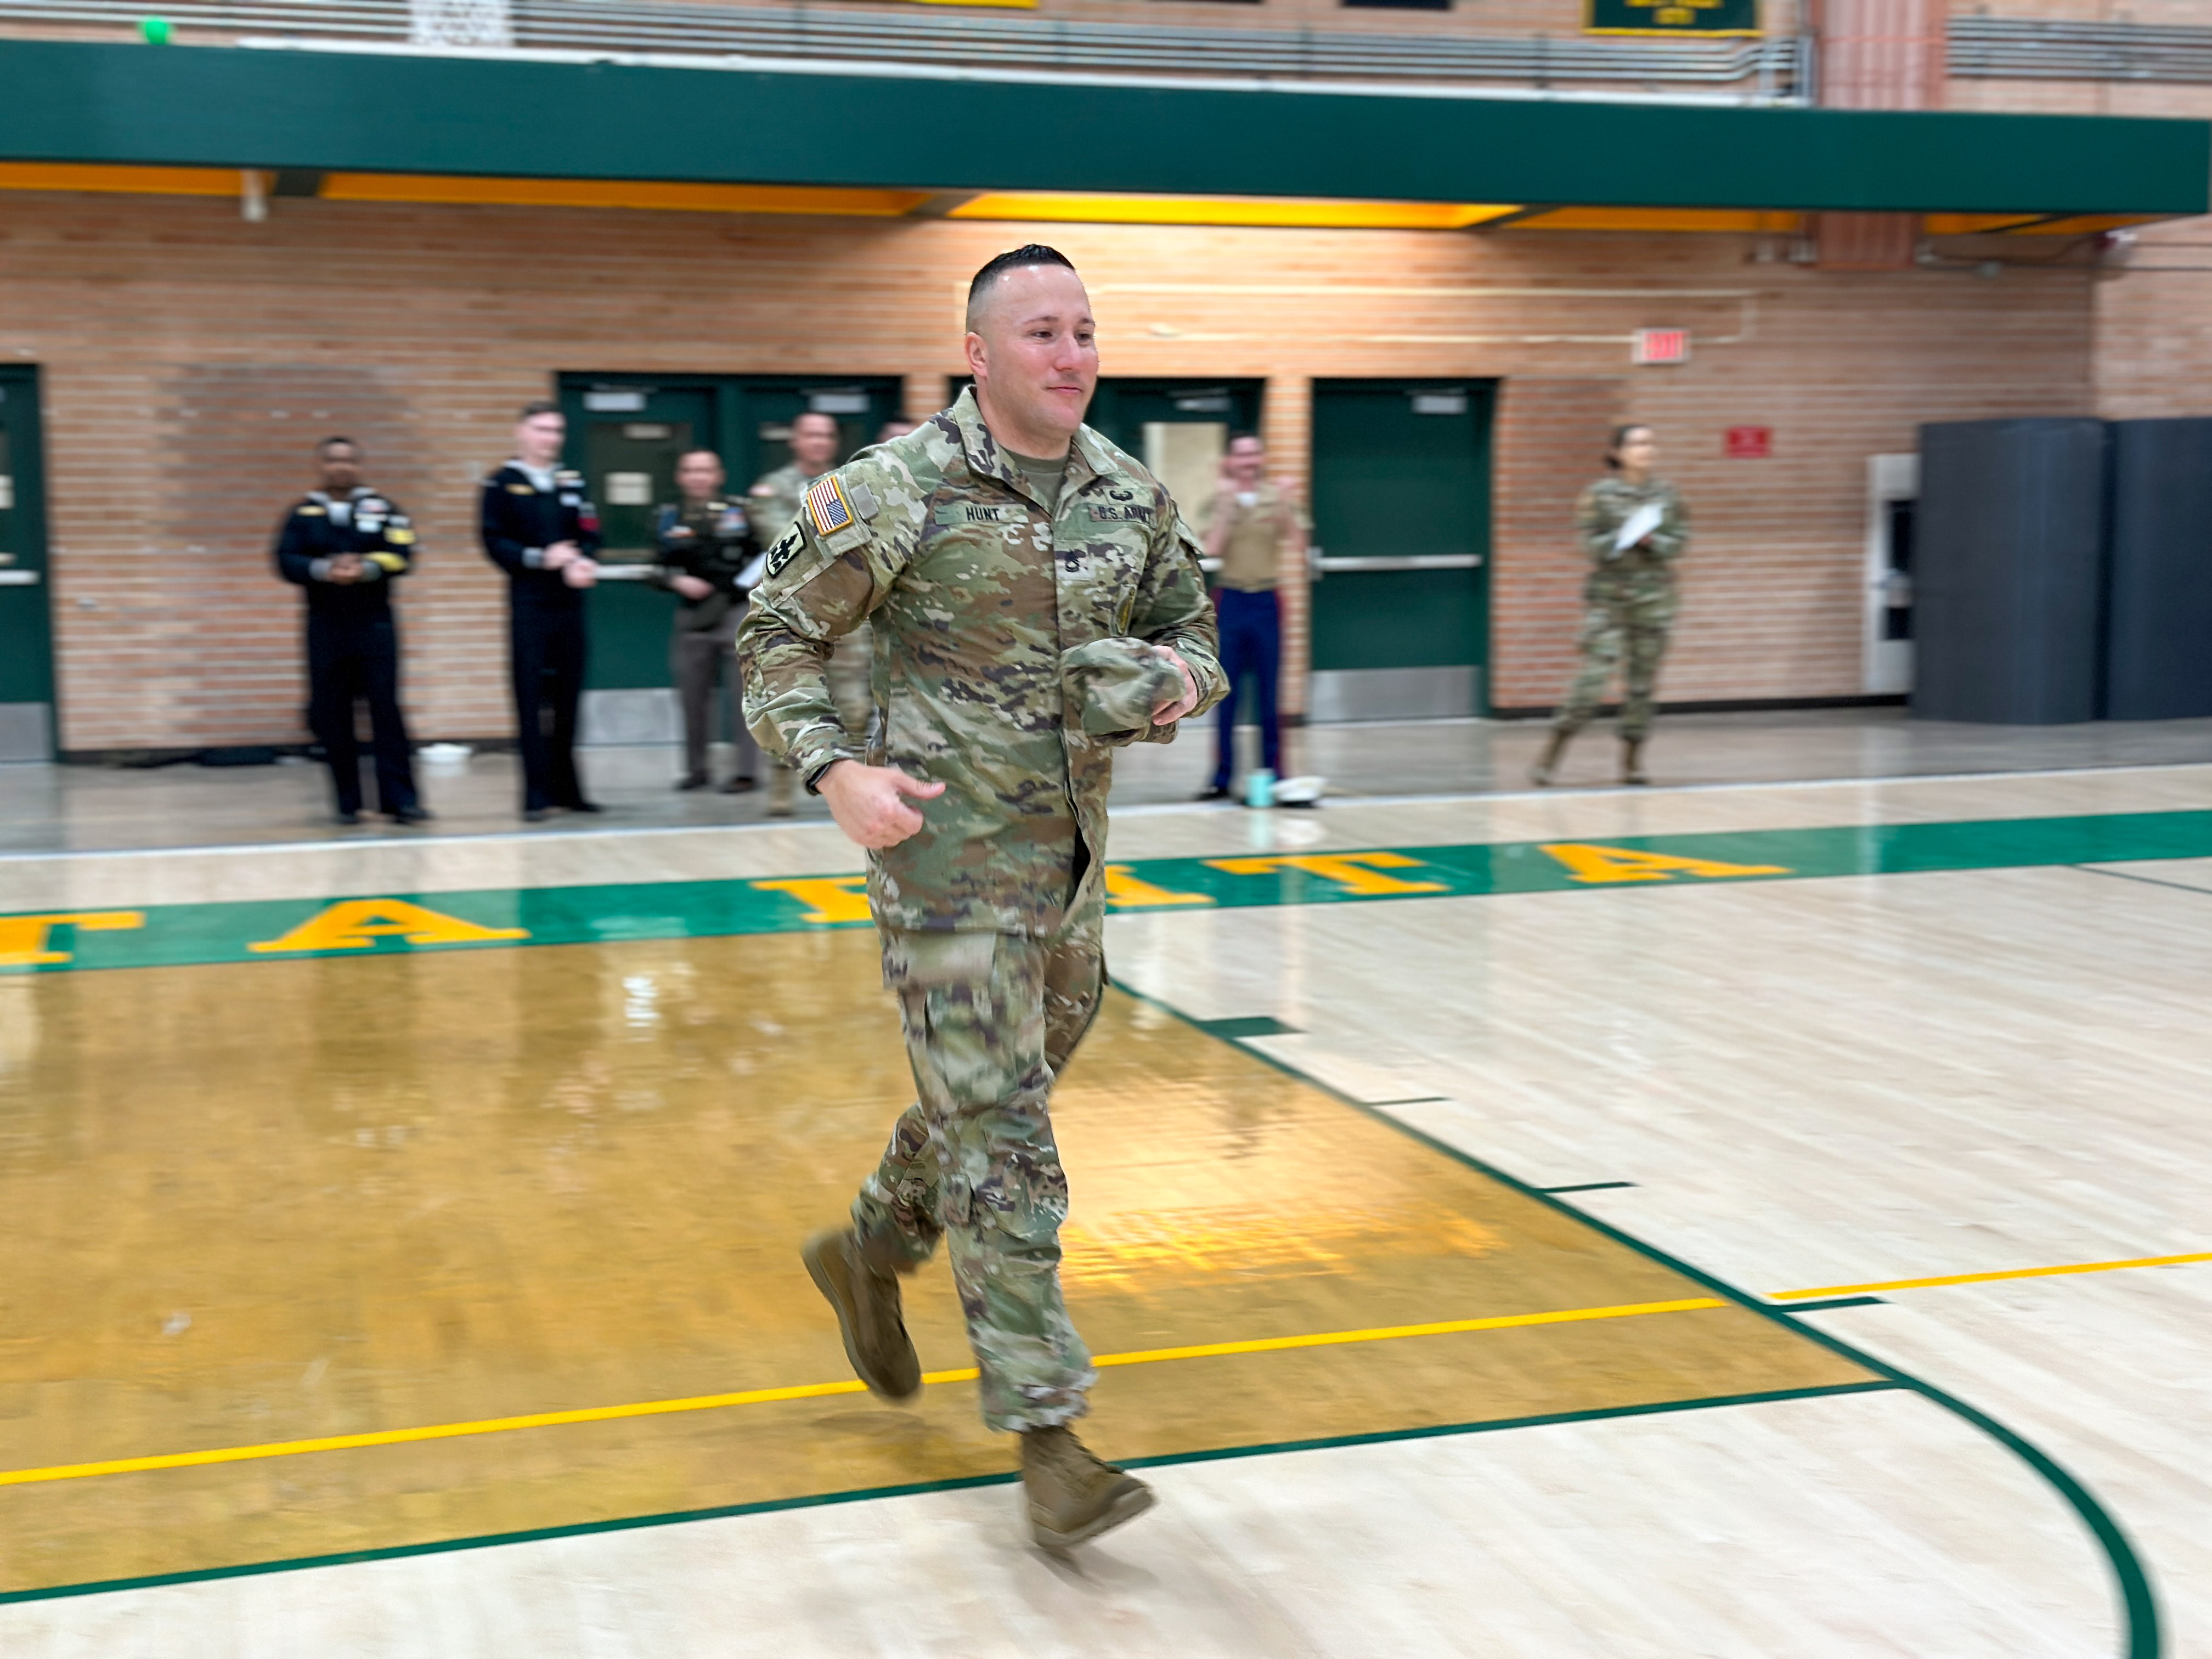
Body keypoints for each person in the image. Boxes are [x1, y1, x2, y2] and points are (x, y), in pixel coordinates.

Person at [738, 244, 1224, 1550]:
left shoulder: (1130, 492)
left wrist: (1175, 680)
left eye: (1084, 332)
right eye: (1042, 334)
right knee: (1010, 1148)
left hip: (1066, 880)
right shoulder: (895, 489)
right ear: (979, 353)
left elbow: (1194, 628)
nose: (1071, 357)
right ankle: (1050, 1440)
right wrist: (833, 768)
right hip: (945, 876)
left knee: (984, 1109)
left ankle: (869, 1245)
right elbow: (773, 635)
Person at [272, 437, 428, 826]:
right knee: (333, 716)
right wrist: (325, 570)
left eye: (348, 460)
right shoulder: (302, 513)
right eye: (333, 460)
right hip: (325, 628)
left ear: (359, 465)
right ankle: (347, 805)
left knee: (386, 712)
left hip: (375, 625)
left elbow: (405, 555)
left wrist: (367, 568)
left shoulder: (385, 509)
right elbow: (285, 560)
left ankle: (402, 803)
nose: (341, 467)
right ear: (320, 464)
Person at [1530, 423, 1688, 788]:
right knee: (1592, 680)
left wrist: (1654, 542)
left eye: (1650, 443)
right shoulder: (1598, 496)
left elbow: (1681, 541)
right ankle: (1552, 753)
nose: (1646, 450)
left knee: (1642, 686)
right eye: (1637, 444)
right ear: (1617, 453)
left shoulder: (1668, 496)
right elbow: (1587, 545)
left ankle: (1632, 762)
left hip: (1654, 601)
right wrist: (1619, 539)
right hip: (1609, 602)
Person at [479, 400, 603, 821]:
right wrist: (538, 558)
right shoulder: (501, 484)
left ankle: (570, 791)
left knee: (569, 697)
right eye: (541, 429)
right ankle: (534, 794)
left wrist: (585, 559)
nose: (549, 438)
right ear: (521, 432)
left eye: (556, 430)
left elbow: (590, 530)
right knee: (531, 700)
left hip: (570, 604)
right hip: (530, 605)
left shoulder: (572, 482)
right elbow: (494, 542)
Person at [1197, 433, 1305, 803]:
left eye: (1254, 454)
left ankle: (1275, 775)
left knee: (1270, 695)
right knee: (1226, 694)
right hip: (1231, 600)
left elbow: (1300, 542)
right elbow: (1212, 548)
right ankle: (1222, 777)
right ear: (1231, 461)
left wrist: (1288, 503)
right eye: (1241, 455)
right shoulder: (1218, 501)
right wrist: (1227, 502)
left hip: (1267, 601)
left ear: (1262, 458)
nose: (1248, 460)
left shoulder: (1278, 498)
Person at [747, 411, 845, 817]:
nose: (819, 442)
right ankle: (781, 792)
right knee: (790, 700)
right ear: (796, 440)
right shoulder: (773, 489)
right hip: (793, 617)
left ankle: (844, 792)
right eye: (811, 435)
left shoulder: (847, 484)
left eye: (826, 435)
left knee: (852, 706)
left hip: (845, 614)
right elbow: (783, 541)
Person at [650, 450, 763, 793]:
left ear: (718, 475)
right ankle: (696, 770)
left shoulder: (739, 512)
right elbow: (654, 566)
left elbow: (765, 554)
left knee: (743, 697)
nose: (698, 477)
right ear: (680, 477)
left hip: (733, 610)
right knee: (692, 697)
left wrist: (751, 583)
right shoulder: (668, 517)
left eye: (705, 470)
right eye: (690, 470)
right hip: (693, 615)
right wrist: (674, 581)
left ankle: (746, 772)